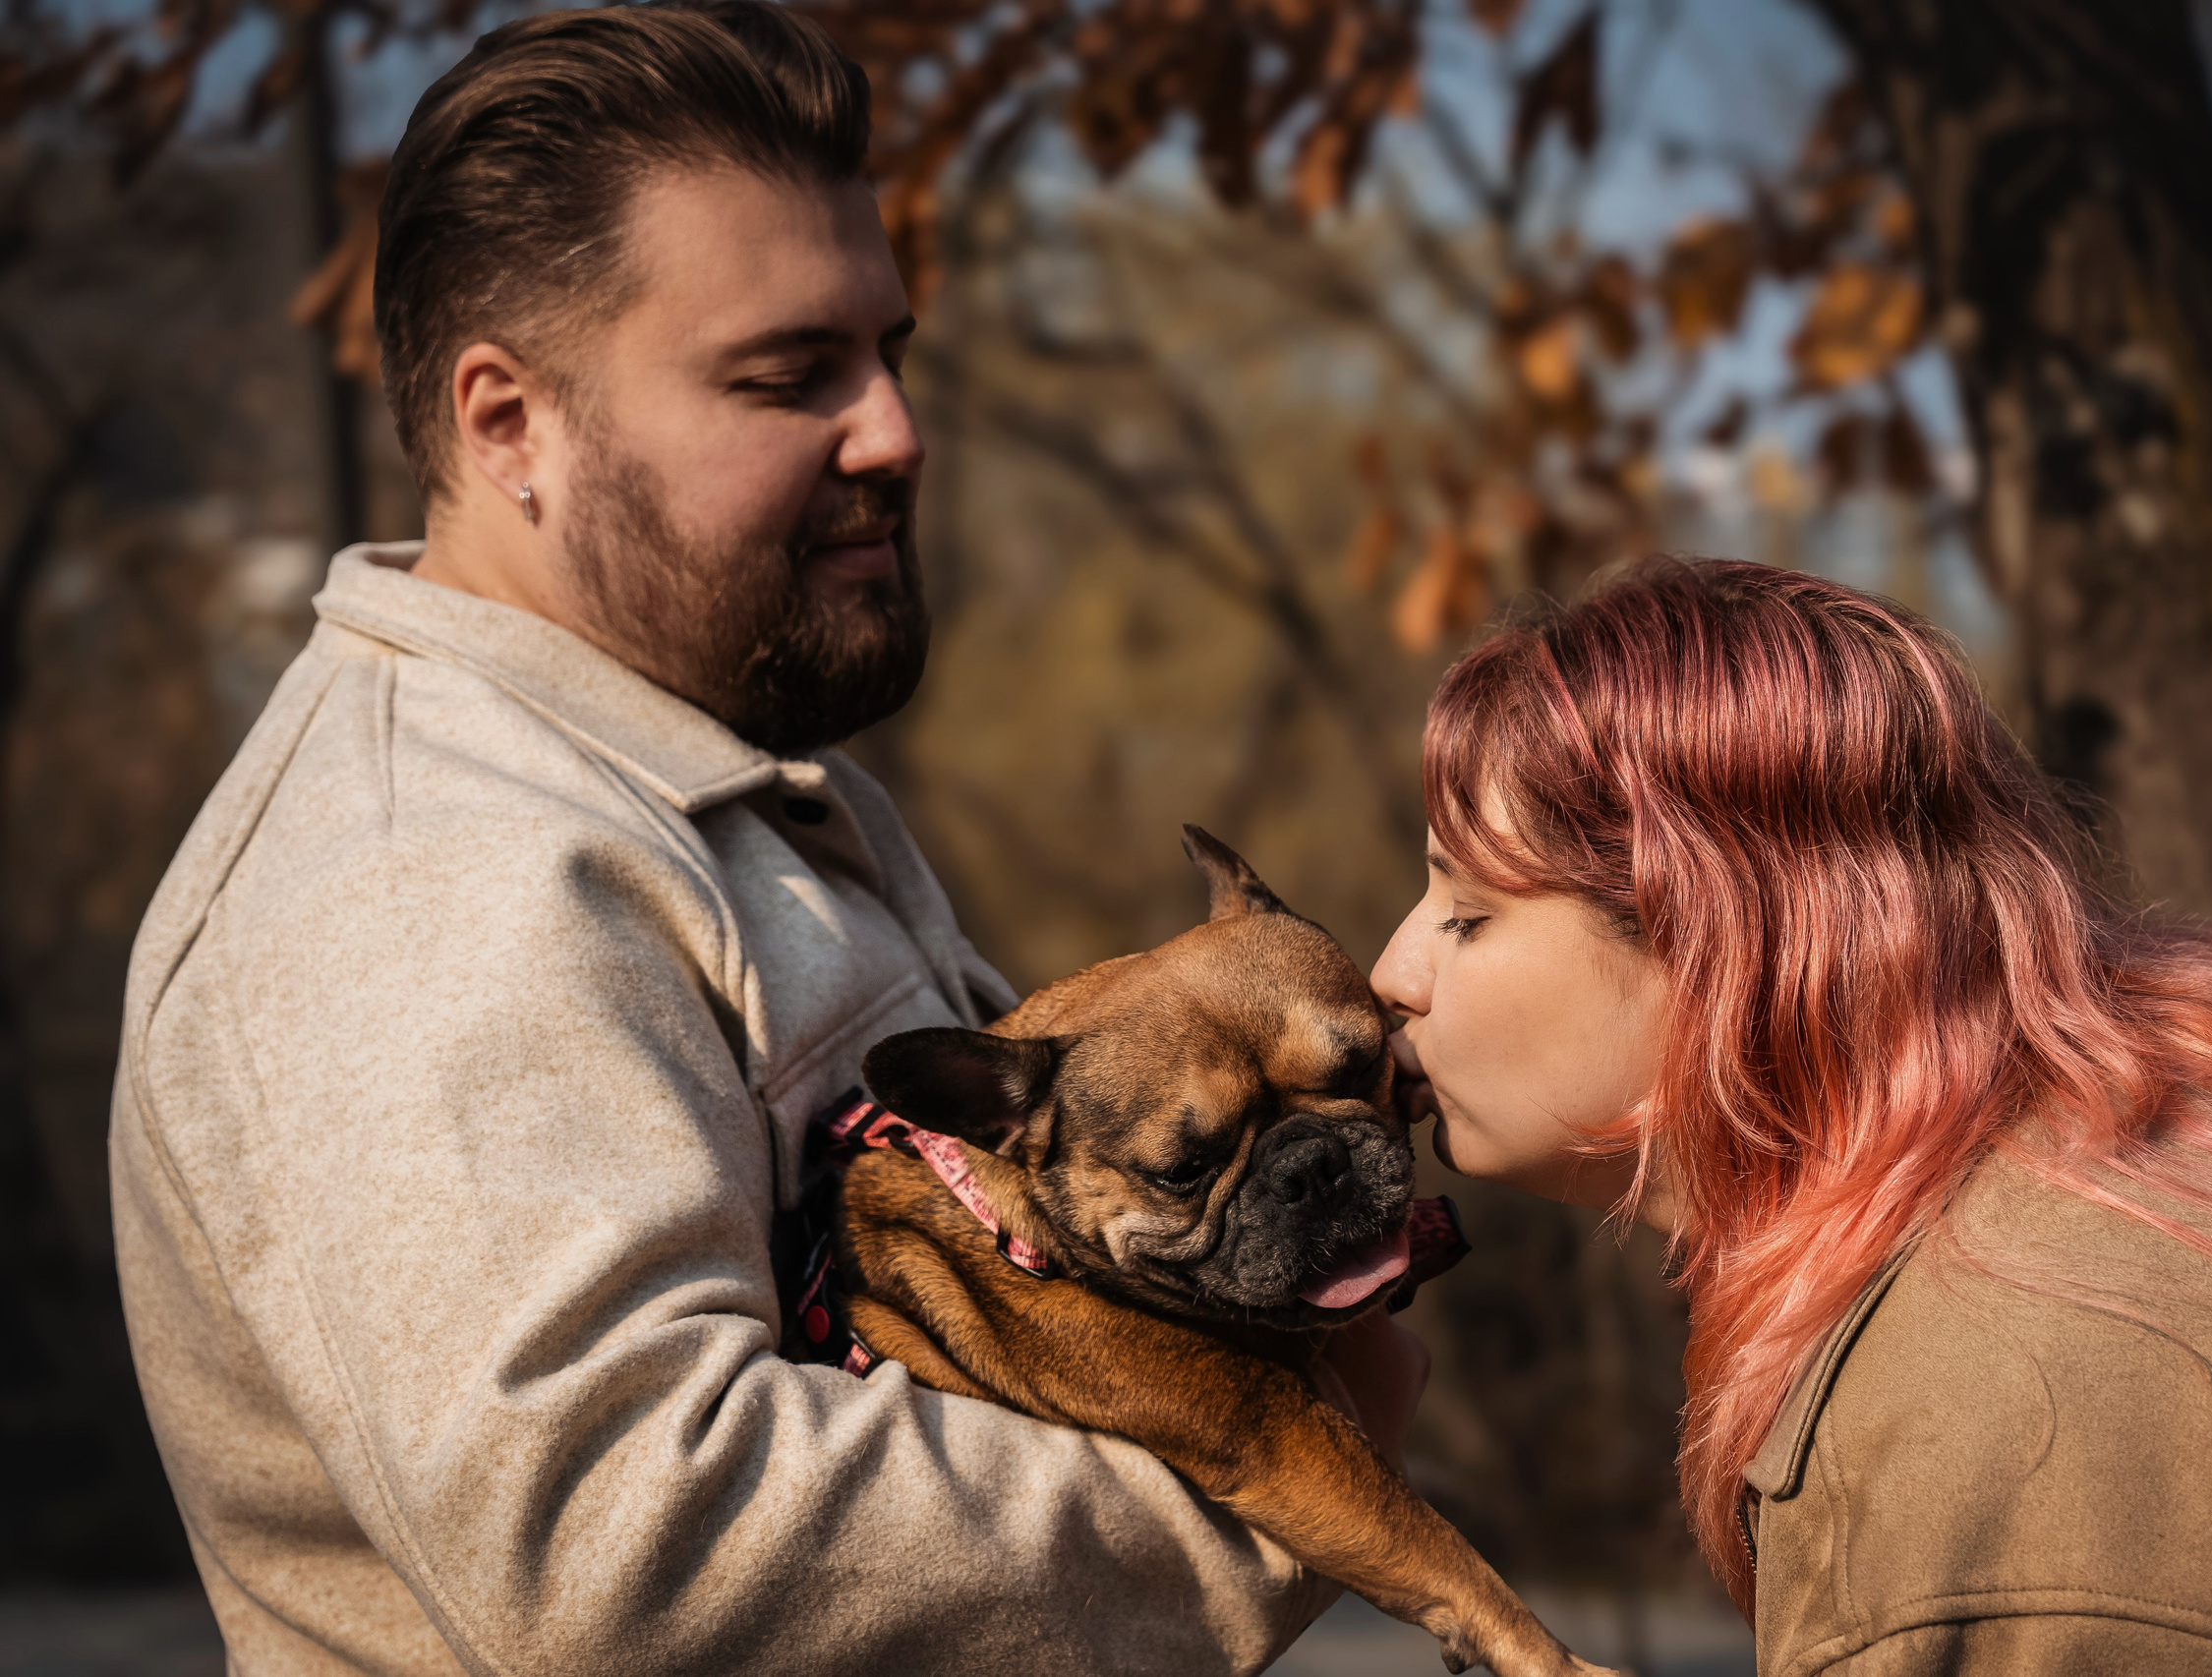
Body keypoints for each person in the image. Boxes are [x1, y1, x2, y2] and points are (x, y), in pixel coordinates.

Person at [107, 6, 1420, 1671]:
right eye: (790, 375)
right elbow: (629, 1556)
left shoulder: (690, 780)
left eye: (890, 352)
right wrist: (1289, 1470)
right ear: (510, 424)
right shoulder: (427, 881)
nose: (894, 431)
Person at [1371, 556, 2212, 1674]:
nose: (1390, 972)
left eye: (1468, 911)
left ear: (1717, 942)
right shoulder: (2139, 1151)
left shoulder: (1999, 1415)